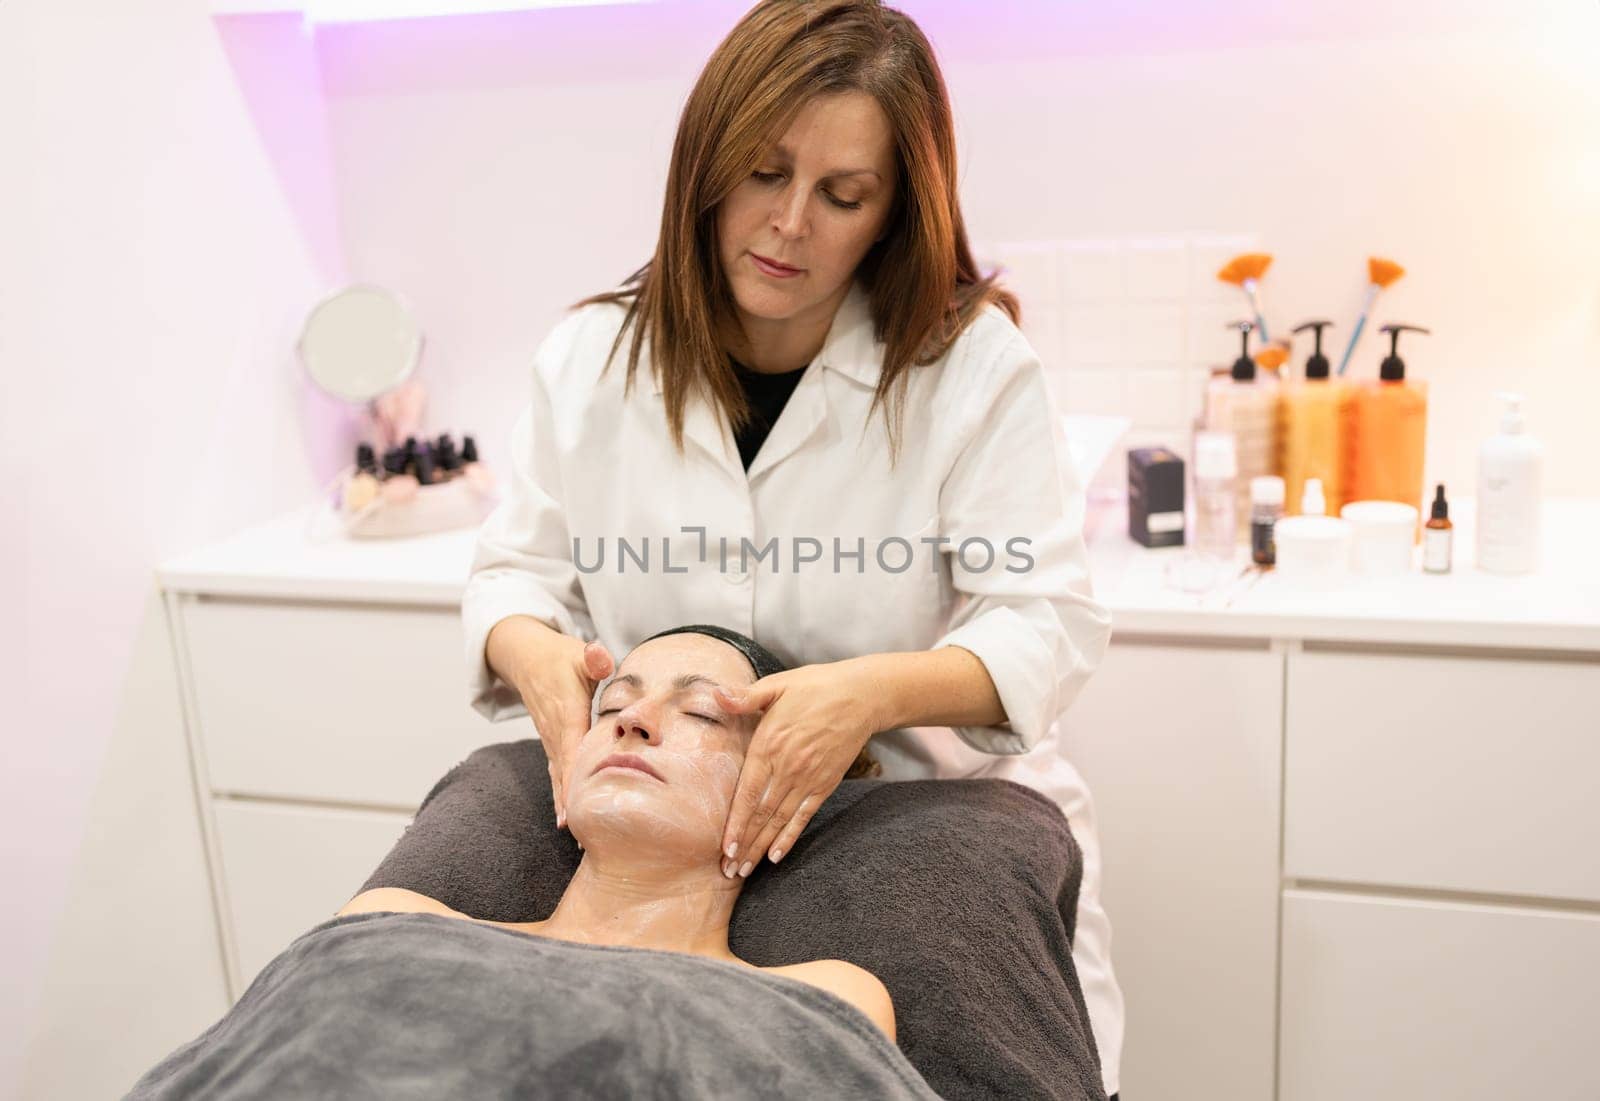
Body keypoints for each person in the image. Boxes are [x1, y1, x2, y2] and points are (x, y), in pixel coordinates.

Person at [460, 1, 1122, 1093]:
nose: (789, 225)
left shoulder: (966, 367)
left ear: (892, 213)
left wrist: (866, 696)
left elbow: (1044, 616)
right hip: (667, 812)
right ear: (704, 168)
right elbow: (513, 574)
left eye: (842, 195)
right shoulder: (589, 361)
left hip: (909, 800)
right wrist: (536, 660)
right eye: (763, 174)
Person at [341, 625, 895, 1037]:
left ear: (781, 790)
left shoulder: (815, 1001)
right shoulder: (396, 925)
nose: (634, 720)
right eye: (613, 706)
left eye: (702, 712)